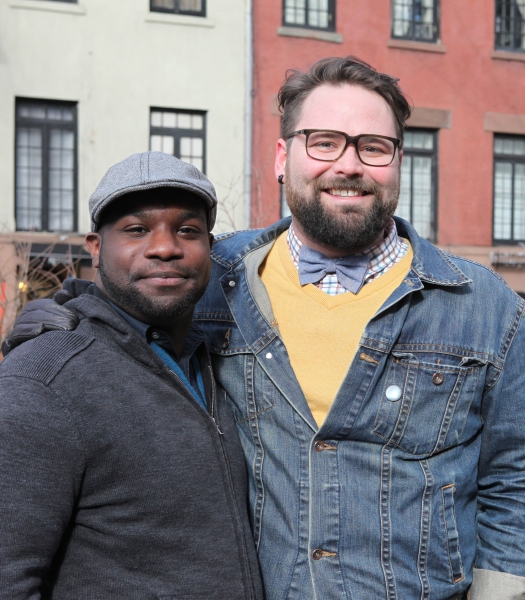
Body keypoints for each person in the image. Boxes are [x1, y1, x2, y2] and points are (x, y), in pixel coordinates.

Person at [5, 56, 525, 600]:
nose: (348, 164)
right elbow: (128, 309)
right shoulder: (213, 277)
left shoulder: (485, 304)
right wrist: (63, 322)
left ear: (399, 161)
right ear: (283, 157)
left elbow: (512, 479)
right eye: (323, 142)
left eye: (373, 146)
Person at [0, 152, 263, 599]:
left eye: (187, 230)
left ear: (210, 249)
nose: (165, 247)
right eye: (137, 229)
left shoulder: (219, 361)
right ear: (96, 247)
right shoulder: (43, 380)